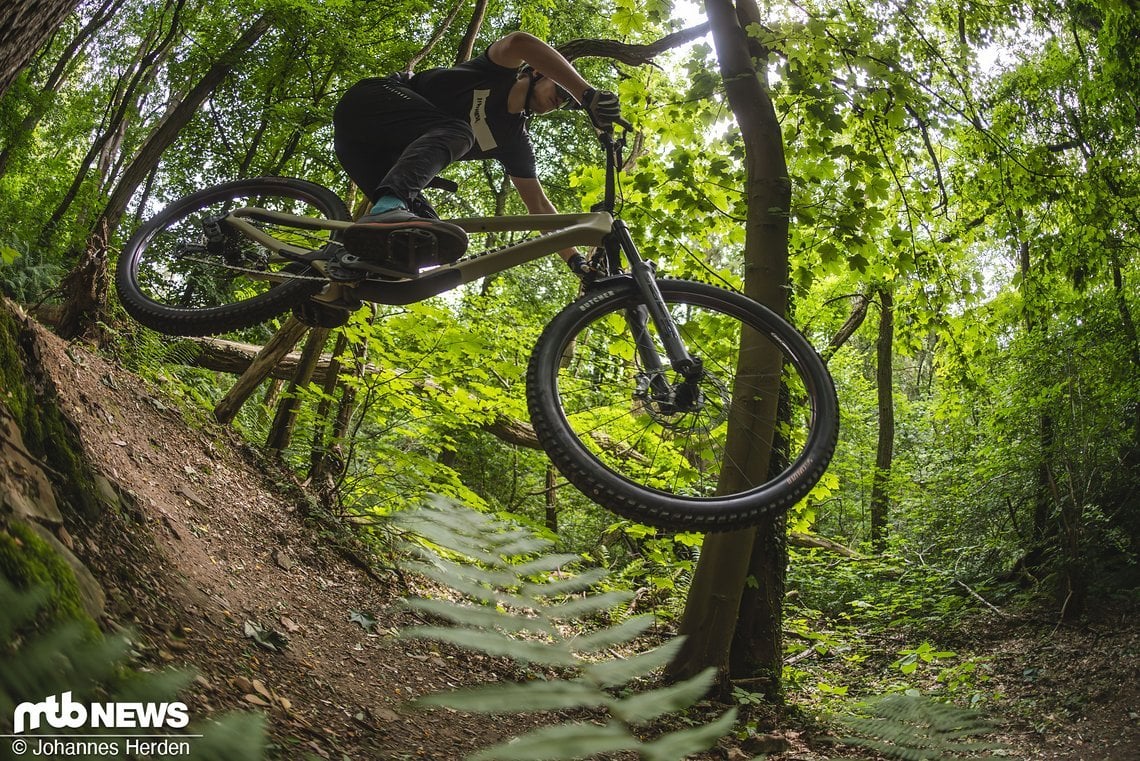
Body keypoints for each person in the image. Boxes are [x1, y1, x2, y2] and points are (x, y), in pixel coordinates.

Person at [331, 31, 622, 278]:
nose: (562, 100)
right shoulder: (496, 71)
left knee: (423, 239)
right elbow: (519, 42)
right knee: (460, 133)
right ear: (536, 71)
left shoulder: (514, 141)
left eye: (568, 103)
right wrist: (586, 94)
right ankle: (387, 209)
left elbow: (540, 208)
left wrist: (576, 263)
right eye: (561, 89)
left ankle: (333, 277)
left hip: (373, 157)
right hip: (369, 104)